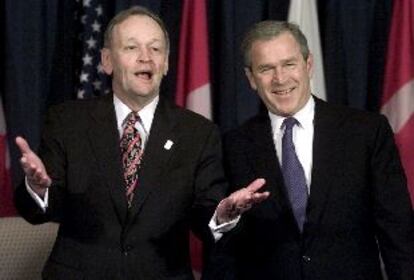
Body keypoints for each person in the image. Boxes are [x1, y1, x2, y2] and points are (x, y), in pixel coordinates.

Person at [14, 6, 267, 280]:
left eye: (155, 49)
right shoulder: (67, 121)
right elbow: (42, 212)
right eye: (132, 48)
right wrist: (38, 189)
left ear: (167, 63)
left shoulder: (198, 133)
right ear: (107, 60)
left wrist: (222, 213)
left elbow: (206, 214)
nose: (145, 58)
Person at [206, 21, 414, 280]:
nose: (280, 78)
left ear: (308, 65)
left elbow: (398, 232)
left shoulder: (365, 131)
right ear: (251, 78)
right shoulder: (233, 144)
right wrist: (226, 220)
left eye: (289, 64)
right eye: (266, 68)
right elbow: (227, 251)